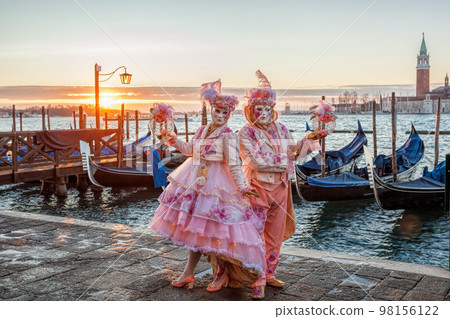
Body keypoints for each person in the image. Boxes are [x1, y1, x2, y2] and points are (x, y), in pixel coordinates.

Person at [149, 80, 265, 293]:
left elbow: (234, 165)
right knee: (196, 232)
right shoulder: (202, 130)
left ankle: (220, 273)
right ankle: (188, 273)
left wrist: (243, 187)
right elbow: (189, 151)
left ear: (228, 115)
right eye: (217, 111)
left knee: (214, 233)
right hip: (194, 181)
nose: (220, 116)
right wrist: (172, 140)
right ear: (212, 110)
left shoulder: (229, 135)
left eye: (224, 113)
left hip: (216, 185)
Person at [238, 70, 324, 299]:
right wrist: (285, 159)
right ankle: (257, 279)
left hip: (281, 189)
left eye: (268, 109)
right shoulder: (245, 133)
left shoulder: (282, 129)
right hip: (257, 188)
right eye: (260, 109)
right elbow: (255, 161)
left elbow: (295, 153)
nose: (264, 113)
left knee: (274, 237)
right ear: (250, 110)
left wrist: (310, 140)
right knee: (256, 236)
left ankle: (270, 273)